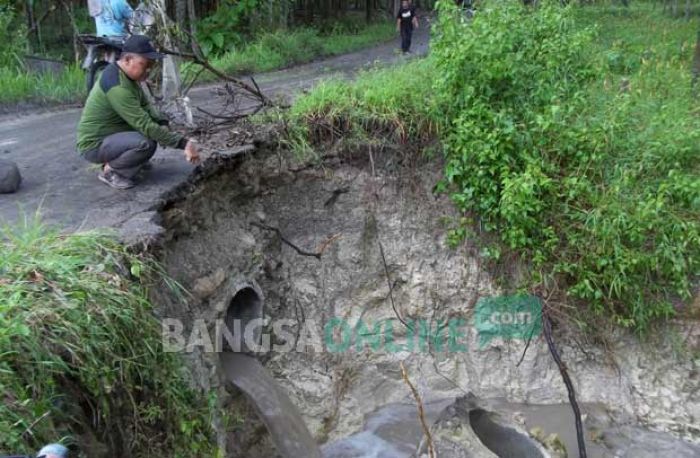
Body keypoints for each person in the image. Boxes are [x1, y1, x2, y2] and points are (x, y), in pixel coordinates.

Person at [76, 35, 200, 190]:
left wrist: (162, 123)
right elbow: (144, 124)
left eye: (151, 65)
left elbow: (145, 105)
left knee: (150, 134)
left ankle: (129, 162)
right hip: (94, 145)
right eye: (145, 64)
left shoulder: (126, 76)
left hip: (111, 135)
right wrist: (184, 143)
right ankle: (111, 171)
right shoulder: (118, 86)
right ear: (127, 60)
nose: (149, 69)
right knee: (146, 144)